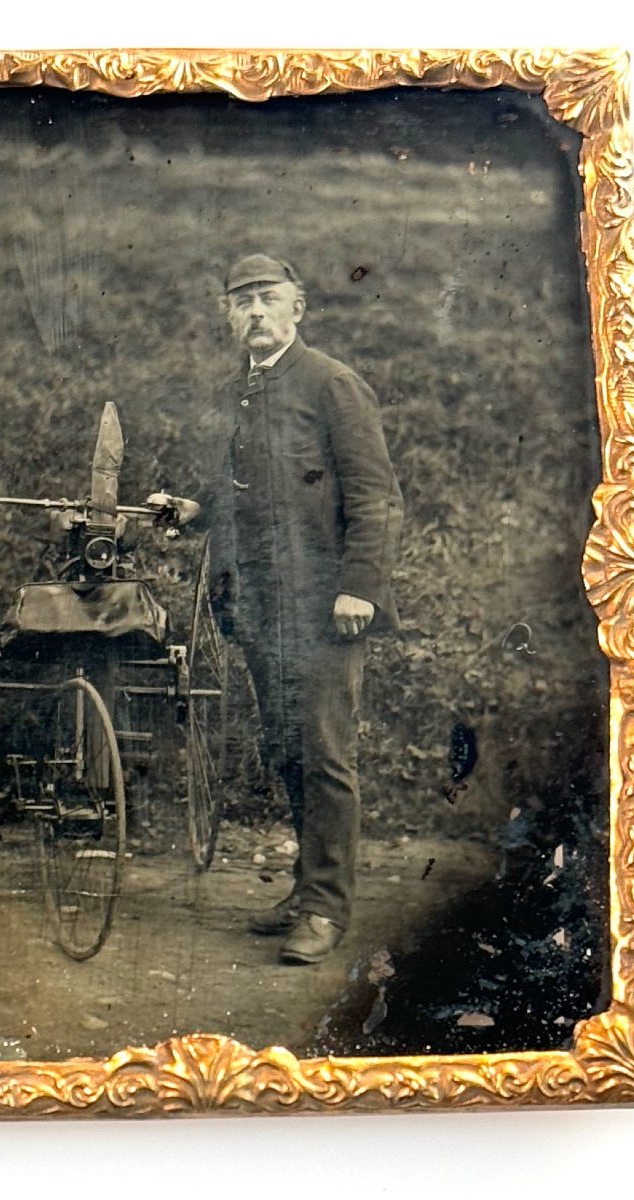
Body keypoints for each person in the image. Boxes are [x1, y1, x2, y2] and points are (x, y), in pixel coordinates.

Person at [208, 253, 404, 965]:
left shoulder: (330, 384)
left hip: (326, 606)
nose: (254, 312)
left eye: (267, 299)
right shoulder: (240, 393)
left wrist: (361, 586)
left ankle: (325, 909)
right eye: (241, 302)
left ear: (298, 308)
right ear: (228, 316)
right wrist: (191, 508)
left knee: (324, 752)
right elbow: (239, 493)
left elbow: (375, 494)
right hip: (263, 610)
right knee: (286, 748)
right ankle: (304, 889)